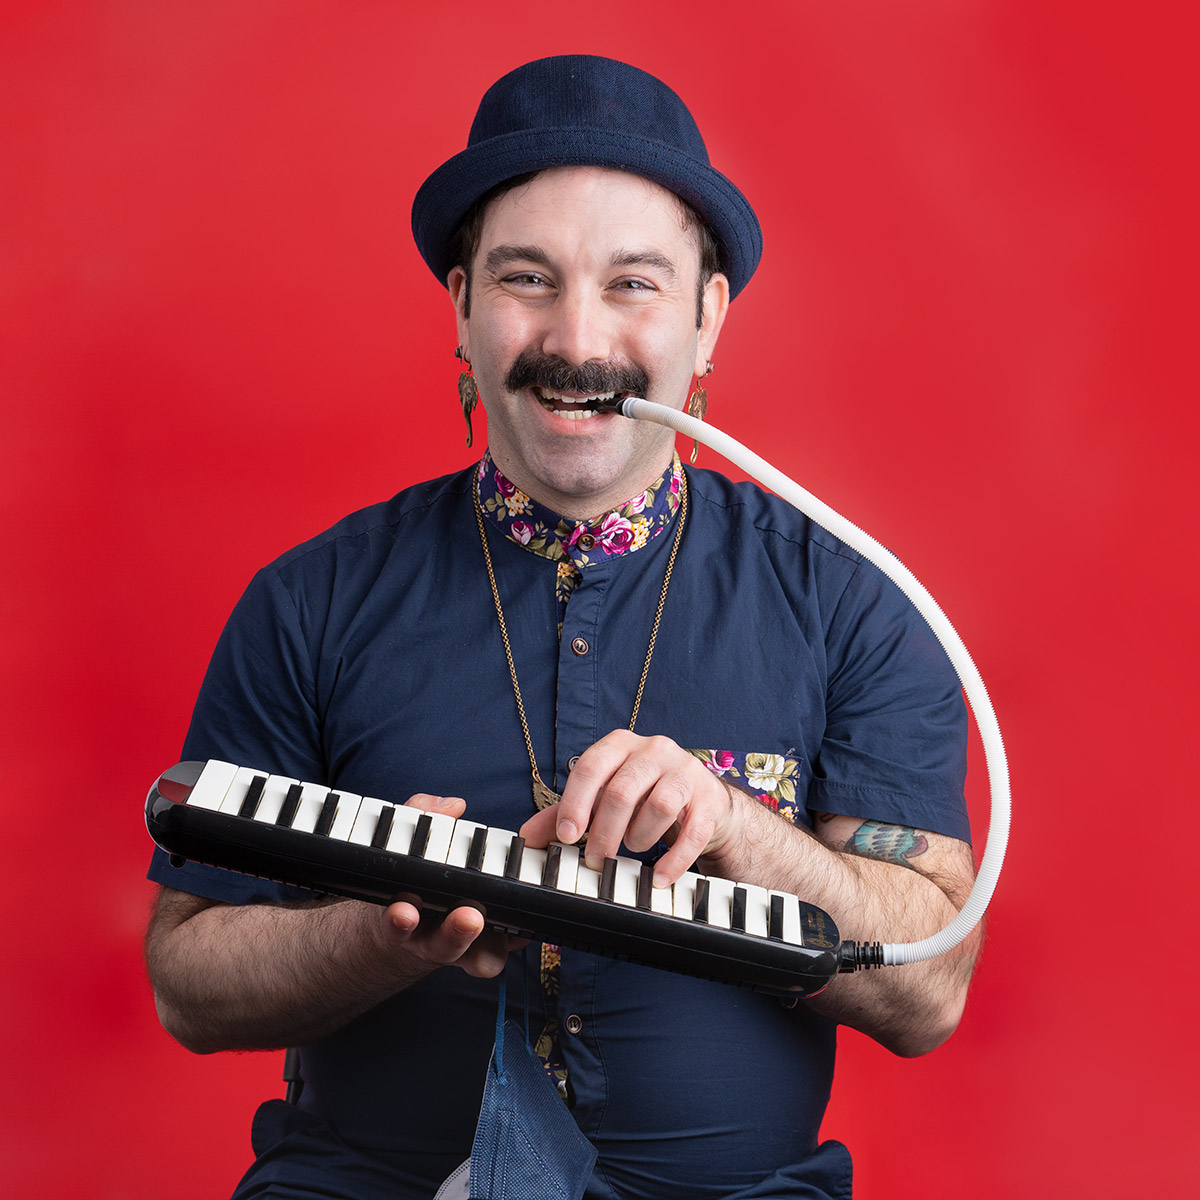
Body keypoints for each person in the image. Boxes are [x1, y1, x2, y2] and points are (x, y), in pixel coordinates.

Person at [144, 55, 981, 1200]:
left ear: (708, 316)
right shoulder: (309, 602)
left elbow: (929, 993)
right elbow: (186, 983)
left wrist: (741, 833)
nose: (575, 339)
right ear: (461, 306)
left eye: (633, 283)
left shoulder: (854, 605)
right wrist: (380, 932)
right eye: (527, 278)